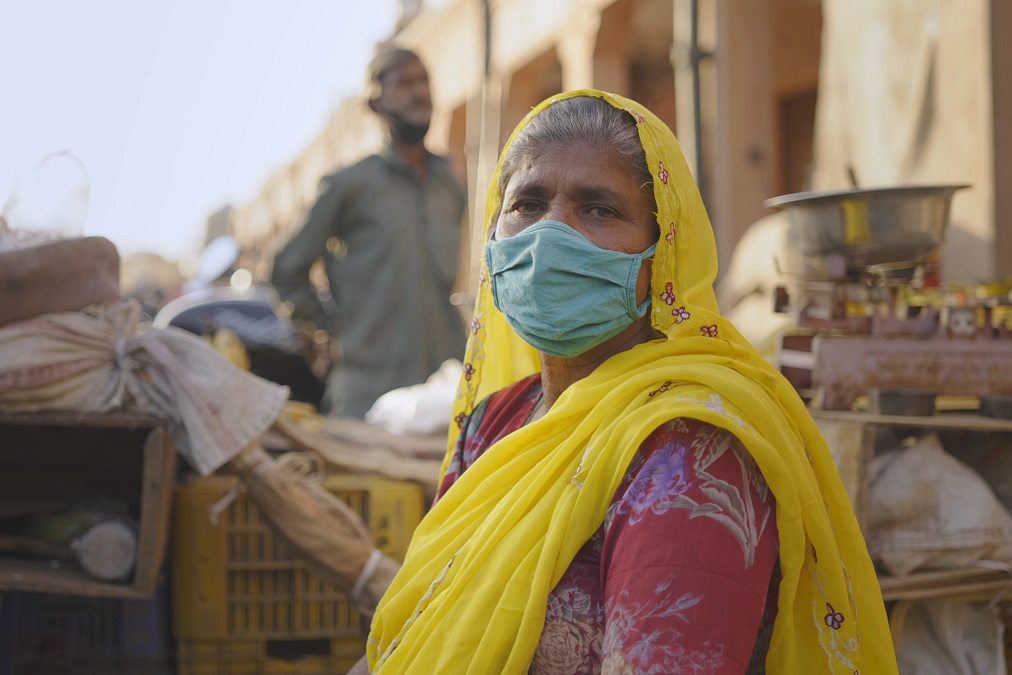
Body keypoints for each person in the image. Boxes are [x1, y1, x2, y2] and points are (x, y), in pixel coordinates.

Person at [352, 91, 896, 674]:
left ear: (662, 254)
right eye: (528, 204)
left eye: (599, 209)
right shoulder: (496, 420)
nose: (550, 237)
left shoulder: (689, 452)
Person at [270, 47, 467, 418]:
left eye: (424, 80)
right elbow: (285, 269)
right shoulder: (349, 184)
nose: (419, 92)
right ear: (375, 104)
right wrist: (327, 325)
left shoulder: (449, 182)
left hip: (445, 391)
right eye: (404, 83)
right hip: (369, 393)